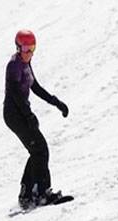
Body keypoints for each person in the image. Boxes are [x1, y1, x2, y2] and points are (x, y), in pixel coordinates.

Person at [4, 29, 69, 208]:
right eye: (26, 48)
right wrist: (29, 116)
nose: (30, 53)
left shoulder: (26, 63)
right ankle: (42, 193)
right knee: (40, 149)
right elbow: (16, 95)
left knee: (37, 150)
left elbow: (36, 87)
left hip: (21, 113)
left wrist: (56, 102)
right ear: (18, 48)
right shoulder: (14, 66)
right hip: (14, 114)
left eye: (33, 48)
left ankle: (27, 193)